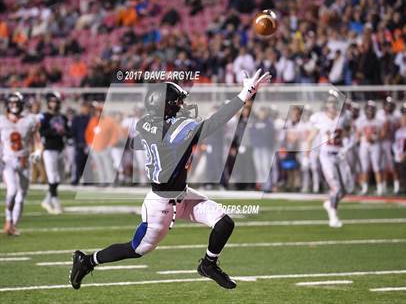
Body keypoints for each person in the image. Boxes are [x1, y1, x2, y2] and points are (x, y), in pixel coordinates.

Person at [70, 70, 271, 290]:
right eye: (177, 102)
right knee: (137, 249)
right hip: (161, 203)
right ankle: (87, 261)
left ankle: (208, 265)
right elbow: (214, 124)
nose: (181, 106)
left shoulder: (147, 123)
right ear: (165, 106)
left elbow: (139, 140)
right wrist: (246, 93)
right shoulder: (172, 130)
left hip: (182, 194)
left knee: (224, 223)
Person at [306, 93, 352, 228]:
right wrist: (306, 156)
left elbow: (348, 134)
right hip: (326, 156)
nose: (332, 106)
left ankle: (329, 203)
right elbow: (310, 138)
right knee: (336, 187)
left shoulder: (343, 118)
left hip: (340, 155)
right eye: (330, 103)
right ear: (326, 105)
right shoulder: (320, 118)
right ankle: (333, 216)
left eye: (334, 103)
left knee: (347, 188)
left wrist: (346, 147)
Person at [1, 92, 41, 235]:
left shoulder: (30, 120)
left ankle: (13, 225)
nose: (14, 106)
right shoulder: (1, 121)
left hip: (24, 160)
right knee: (12, 190)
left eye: (17, 103)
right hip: (8, 160)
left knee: (21, 195)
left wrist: (36, 156)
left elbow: (37, 141)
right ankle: (8, 220)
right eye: (12, 103)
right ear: (7, 105)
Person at [39, 91, 69, 214]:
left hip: (60, 148)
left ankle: (47, 200)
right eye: (52, 101)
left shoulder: (63, 117)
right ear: (48, 103)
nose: (54, 104)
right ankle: (56, 202)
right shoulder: (44, 116)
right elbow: (42, 132)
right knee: (53, 177)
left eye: (56, 101)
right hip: (49, 149)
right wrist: (54, 130)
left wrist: (64, 132)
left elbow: (69, 131)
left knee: (58, 178)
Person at [355, 100, 384, 195]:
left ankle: (380, 188)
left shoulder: (379, 121)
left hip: (375, 144)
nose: (370, 111)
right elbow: (357, 135)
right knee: (364, 167)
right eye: (368, 109)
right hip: (364, 144)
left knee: (377, 166)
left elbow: (382, 134)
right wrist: (364, 138)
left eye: (371, 109)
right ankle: (365, 188)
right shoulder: (361, 121)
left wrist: (374, 137)